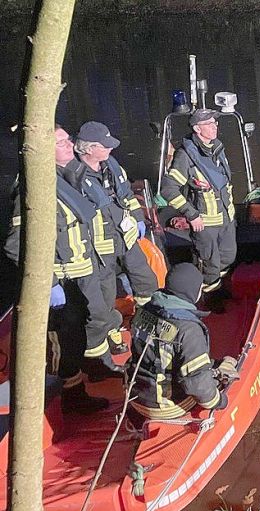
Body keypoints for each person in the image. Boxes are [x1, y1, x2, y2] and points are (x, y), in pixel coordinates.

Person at [4, 126, 118, 412]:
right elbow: (15, 245)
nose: (70, 145)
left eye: (68, 140)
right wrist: (50, 282)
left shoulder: (70, 177)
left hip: (82, 274)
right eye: (61, 143)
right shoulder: (33, 190)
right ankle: (70, 398)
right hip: (62, 284)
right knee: (65, 344)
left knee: (86, 330)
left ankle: (90, 372)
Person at [69, 121, 159, 317]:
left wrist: (137, 218)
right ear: (88, 149)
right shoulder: (72, 176)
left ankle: (148, 314)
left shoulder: (111, 166)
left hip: (125, 236)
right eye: (104, 145)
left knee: (145, 279)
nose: (110, 147)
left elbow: (126, 194)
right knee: (105, 293)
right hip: (99, 247)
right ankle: (111, 331)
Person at [129, 263, 232, 420]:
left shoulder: (145, 310)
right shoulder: (189, 330)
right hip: (166, 406)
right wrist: (220, 401)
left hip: (135, 397)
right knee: (227, 368)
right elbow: (197, 386)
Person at [160, 109, 237, 294]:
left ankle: (221, 285)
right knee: (210, 265)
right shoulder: (185, 156)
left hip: (226, 217)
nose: (215, 127)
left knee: (228, 256)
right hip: (205, 223)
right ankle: (208, 295)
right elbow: (168, 189)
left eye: (215, 123)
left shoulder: (217, 147)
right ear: (197, 128)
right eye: (209, 124)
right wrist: (191, 215)